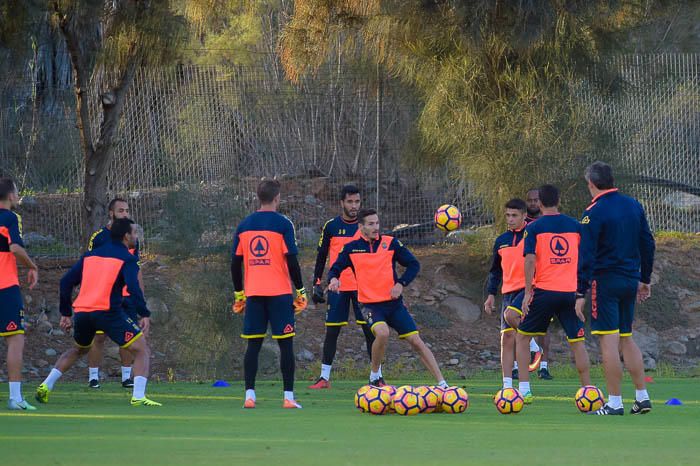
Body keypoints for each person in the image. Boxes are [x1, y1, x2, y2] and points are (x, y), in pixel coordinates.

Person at [36, 218, 160, 406]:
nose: (136, 236)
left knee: (79, 349)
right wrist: (144, 314)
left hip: (84, 313)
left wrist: (66, 313)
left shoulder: (89, 256)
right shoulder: (128, 258)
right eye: (134, 233)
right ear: (126, 236)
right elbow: (134, 288)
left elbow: (65, 282)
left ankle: (46, 385)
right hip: (109, 312)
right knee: (142, 350)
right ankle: (139, 396)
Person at [328, 208, 448, 389]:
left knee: (416, 341)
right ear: (361, 227)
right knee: (383, 333)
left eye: (377, 223)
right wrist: (334, 279)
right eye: (371, 224)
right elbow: (335, 268)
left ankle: (442, 383)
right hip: (370, 306)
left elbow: (413, 264)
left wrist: (401, 284)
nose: (376, 227)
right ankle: (375, 375)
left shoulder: (390, 243)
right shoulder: (351, 248)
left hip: (394, 306)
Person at [576, 161, 655, 415]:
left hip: (605, 282)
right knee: (626, 337)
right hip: (630, 279)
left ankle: (614, 402)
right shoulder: (633, 204)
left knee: (608, 342)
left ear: (591, 184)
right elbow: (648, 243)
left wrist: (580, 292)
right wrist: (645, 278)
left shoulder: (593, 212)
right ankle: (642, 397)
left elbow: (586, 255)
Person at [231, 179, 307, 409]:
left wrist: (239, 294)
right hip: (280, 294)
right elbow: (292, 260)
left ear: (258, 197)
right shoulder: (284, 223)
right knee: (286, 346)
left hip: (254, 294)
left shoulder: (244, 225)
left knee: (252, 346)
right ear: (277, 198)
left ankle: (249, 396)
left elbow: (235, 263)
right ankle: (288, 397)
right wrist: (301, 290)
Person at [515, 185, 591, 403]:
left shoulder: (535, 227)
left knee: (522, 337)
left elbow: (529, 260)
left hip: (544, 291)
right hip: (569, 292)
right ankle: (588, 390)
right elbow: (585, 259)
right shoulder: (576, 226)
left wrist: (528, 292)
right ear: (559, 200)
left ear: (539, 203)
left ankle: (524, 390)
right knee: (577, 342)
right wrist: (581, 292)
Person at [308, 185, 377, 389]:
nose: (354, 206)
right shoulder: (331, 226)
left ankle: (376, 378)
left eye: (357, 201)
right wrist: (316, 283)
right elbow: (321, 257)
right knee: (332, 331)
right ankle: (324, 378)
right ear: (342, 203)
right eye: (350, 202)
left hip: (362, 288)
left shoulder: (366, 226)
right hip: (337, 287)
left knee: (369, 331)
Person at [85, 198, 147, 389]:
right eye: (121, 211)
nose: (125, 214)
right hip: (104, 296)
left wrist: (141, 298)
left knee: (128, 336)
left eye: (127, 210)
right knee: (99, 336)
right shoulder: (99, 237)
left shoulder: (131, 237)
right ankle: (93, 377)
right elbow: (90, 266)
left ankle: (126, 377)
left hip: (126, 296)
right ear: (111, 213)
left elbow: (136, 269)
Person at [0, 178, 39, 411]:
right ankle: (15, 397)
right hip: (5, 286)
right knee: (15, 338)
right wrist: (32, 266)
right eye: (16, 192)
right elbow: (15, 248)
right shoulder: (10, 218)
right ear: (11, 196)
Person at [484, 199, 528, 390]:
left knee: (520, 332)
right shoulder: (501, 241)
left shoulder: (533, 236)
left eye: (514, 215)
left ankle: (525, 387)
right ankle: (507, 387)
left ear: (524, 215)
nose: (510, 219)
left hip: (528, 291)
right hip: (508, 292)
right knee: (506, 339)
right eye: (508, 215)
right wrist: (491, 294)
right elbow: (495, 271)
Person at [525, 188, 551, 379]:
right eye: (530, 200)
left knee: (544, 327)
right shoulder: (522, 223)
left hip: (545, 280)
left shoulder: (547, 223)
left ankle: (544, 366)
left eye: (536, 200)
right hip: (525, 281)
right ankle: (520, 365)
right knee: (519, 320)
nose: (533, 203)